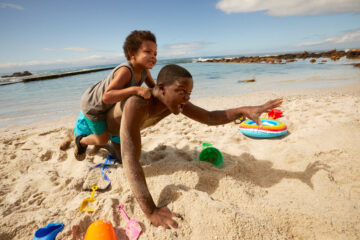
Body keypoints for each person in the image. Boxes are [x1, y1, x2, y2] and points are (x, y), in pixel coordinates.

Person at [104, 64, 283, 229]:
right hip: (102, 127)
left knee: (119, 154)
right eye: (182, 91)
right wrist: (151, 211)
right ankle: (83, 141)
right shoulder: (137, 103)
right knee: (113, 149)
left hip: (123, 132)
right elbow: (130, 160)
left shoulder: (173, 102)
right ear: (161, 88)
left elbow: (209, 117)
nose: (187, 98)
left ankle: (110, 146)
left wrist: (244, 110)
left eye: (189, 93)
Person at [74, 30, 157, 160]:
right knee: (102, 139)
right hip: (94, 106)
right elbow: (107, 97)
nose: (153, 56)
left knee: (117, 137)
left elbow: (153, 87)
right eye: (148, 52)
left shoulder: (144, 70)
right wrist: (136, 90)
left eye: (155, 53)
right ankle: (82, 141)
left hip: (111, 107)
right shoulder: (125, 71)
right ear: (132, 53)